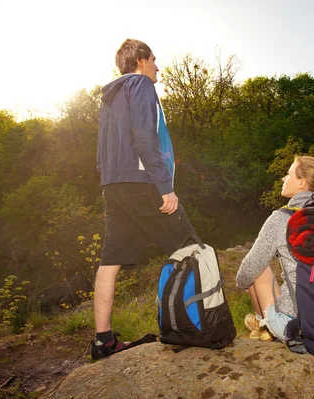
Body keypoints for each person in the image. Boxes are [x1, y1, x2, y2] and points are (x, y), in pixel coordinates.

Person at [92, 39, 196, 360]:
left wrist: (109, 182)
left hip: (113, 185)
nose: (157, 67)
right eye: (153, 60)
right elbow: (144, 136)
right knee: (192, 248)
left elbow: (101, 152)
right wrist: (164, 186)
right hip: (141, 182)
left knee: (110, 262)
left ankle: (103, 341)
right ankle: (193, 326)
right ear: (140, 60)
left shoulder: (109, 97)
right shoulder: (140, 84)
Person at [236, 156, 314, 342]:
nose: (283, 179)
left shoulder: (283, 218)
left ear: (302, 182)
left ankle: (267, 327)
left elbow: (249, 268)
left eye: (288, 174)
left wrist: (242, 283)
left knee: (256, 270)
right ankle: (263, 326)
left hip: (296, 323)